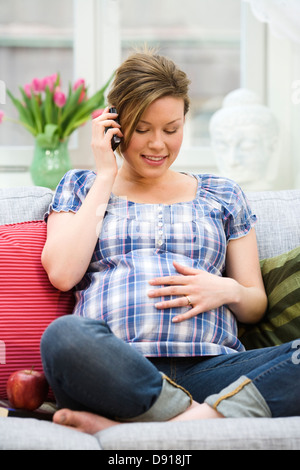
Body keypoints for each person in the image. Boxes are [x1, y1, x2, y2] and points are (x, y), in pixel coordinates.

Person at [40, 49, 300, 434]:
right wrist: (104, 176)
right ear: (115, 124)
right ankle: (200, 420)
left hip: (214, 369)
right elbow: (62, 274)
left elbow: (254, 304)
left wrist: (226, 289)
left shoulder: (222, 193)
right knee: (64, 337)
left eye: (171, 129)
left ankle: (175, 421)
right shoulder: (82, 186)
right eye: (142, 129)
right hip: (118, 368)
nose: (158, 144)